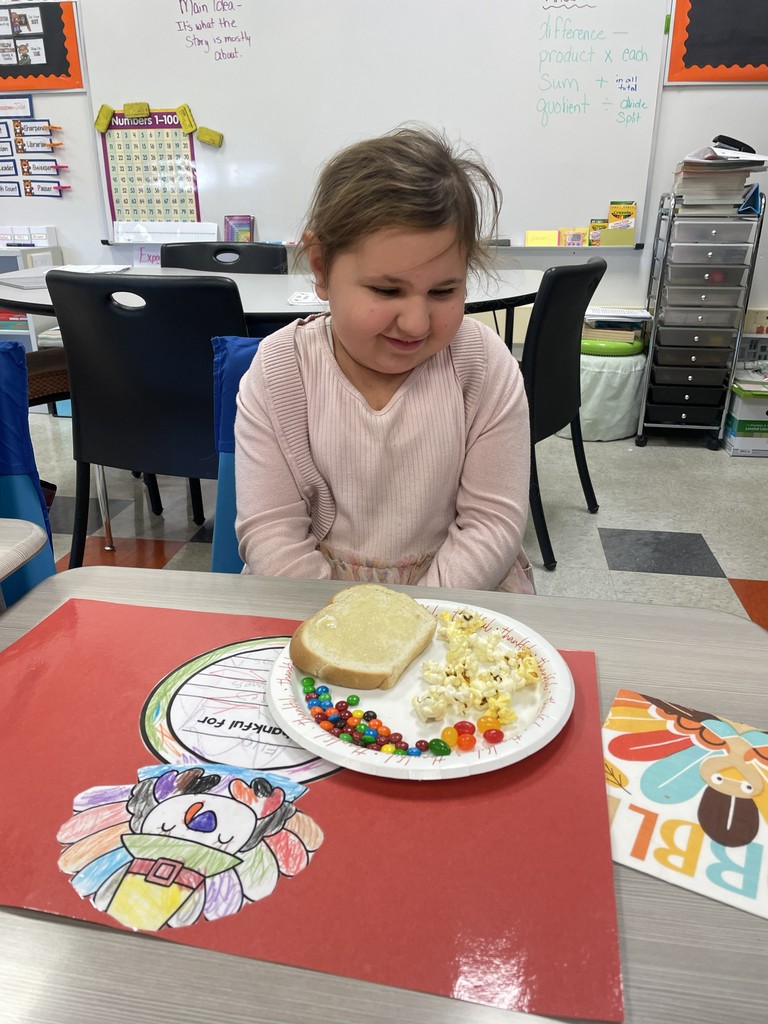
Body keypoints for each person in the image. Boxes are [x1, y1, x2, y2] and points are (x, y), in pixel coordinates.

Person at [234, 125, 534, 593]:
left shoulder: (484, 367)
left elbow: (492, 524)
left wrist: (416, 623)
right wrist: (347, 630)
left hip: (461, 600)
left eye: (444, 291)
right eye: (386, 290)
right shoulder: (279, 372)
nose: (416, 323)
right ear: (320, 267)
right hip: (311, 603)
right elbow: (271, 532)